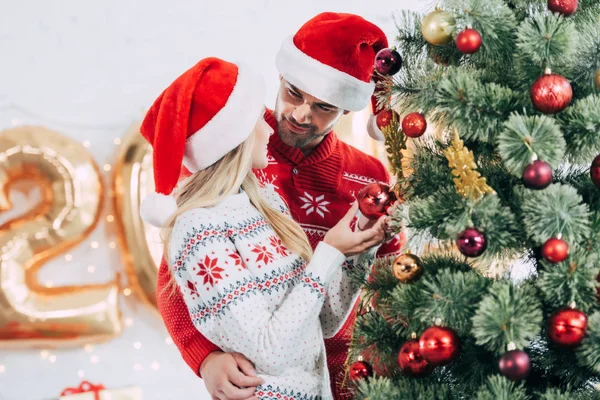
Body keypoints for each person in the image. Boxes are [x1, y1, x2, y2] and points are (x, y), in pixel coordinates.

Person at [156, 13, 405, 400]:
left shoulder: (366, 176)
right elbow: (177, 276)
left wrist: (384, 362)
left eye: (324, 107)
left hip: (349, 371)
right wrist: (204, 357)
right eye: (294, 93)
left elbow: (391, 281)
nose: (301, 115)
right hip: (263, 377)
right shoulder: (230, 151)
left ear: (346, 109)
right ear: (280, 79)